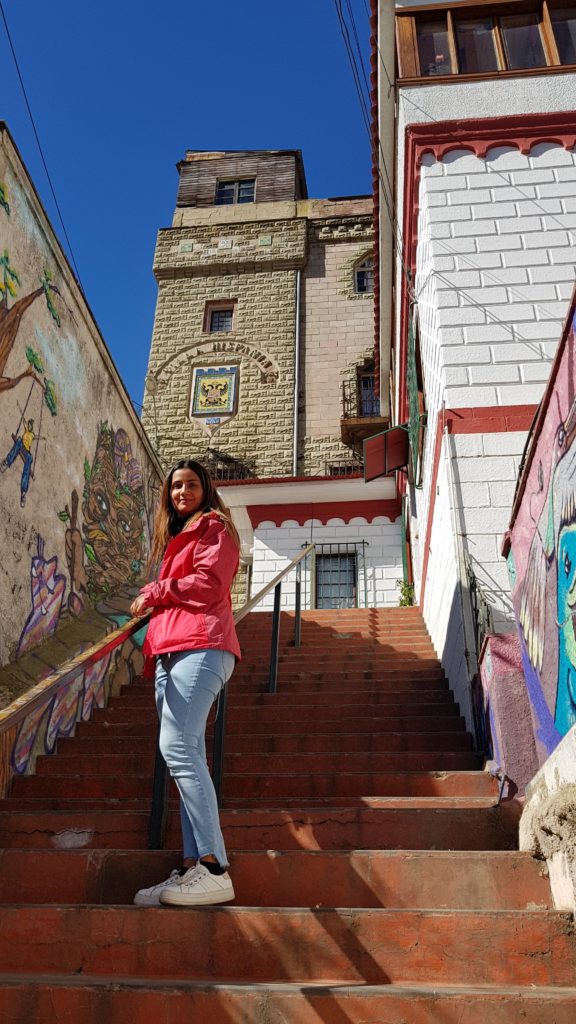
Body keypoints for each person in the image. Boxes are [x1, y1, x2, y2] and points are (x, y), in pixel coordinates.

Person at [131, 459, 241, 907]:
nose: (182, 491)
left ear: (205, 489)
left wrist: (154, 592)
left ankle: (214, 866)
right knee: (186, 752)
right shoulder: (176, 539)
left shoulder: (215, 528)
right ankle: (195, 865)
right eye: (175, 485)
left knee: (177, 748)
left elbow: (209, 585)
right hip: (171, 650)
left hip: (202, 645)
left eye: (191, 484)